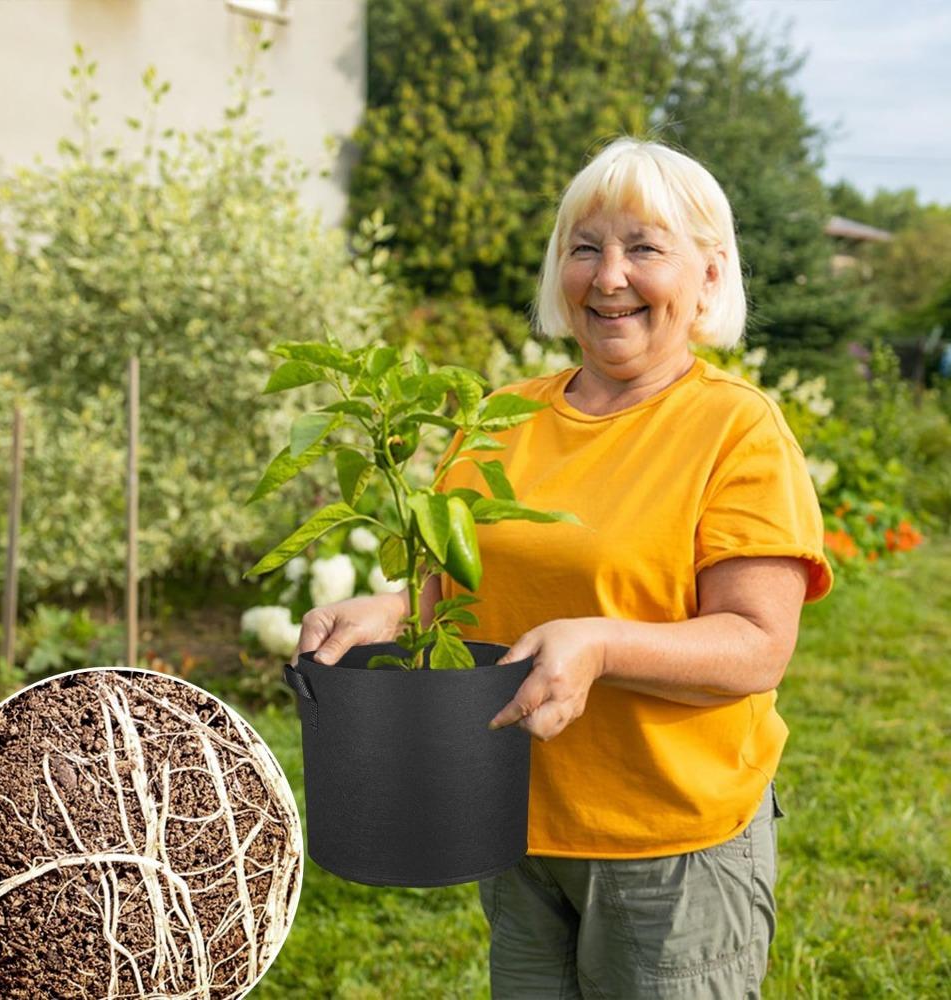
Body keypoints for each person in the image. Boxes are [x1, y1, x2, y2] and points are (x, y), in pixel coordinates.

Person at [295, 137, 833, 999]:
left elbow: (756, 646)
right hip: (513, 820)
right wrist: (392, 611)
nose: (608, 276)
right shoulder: (502, 418)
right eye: (584, 248)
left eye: (644, 248)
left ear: (707, 276)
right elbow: (459, 584)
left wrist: (600, 646)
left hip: (671, 845)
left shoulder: (737, 430)